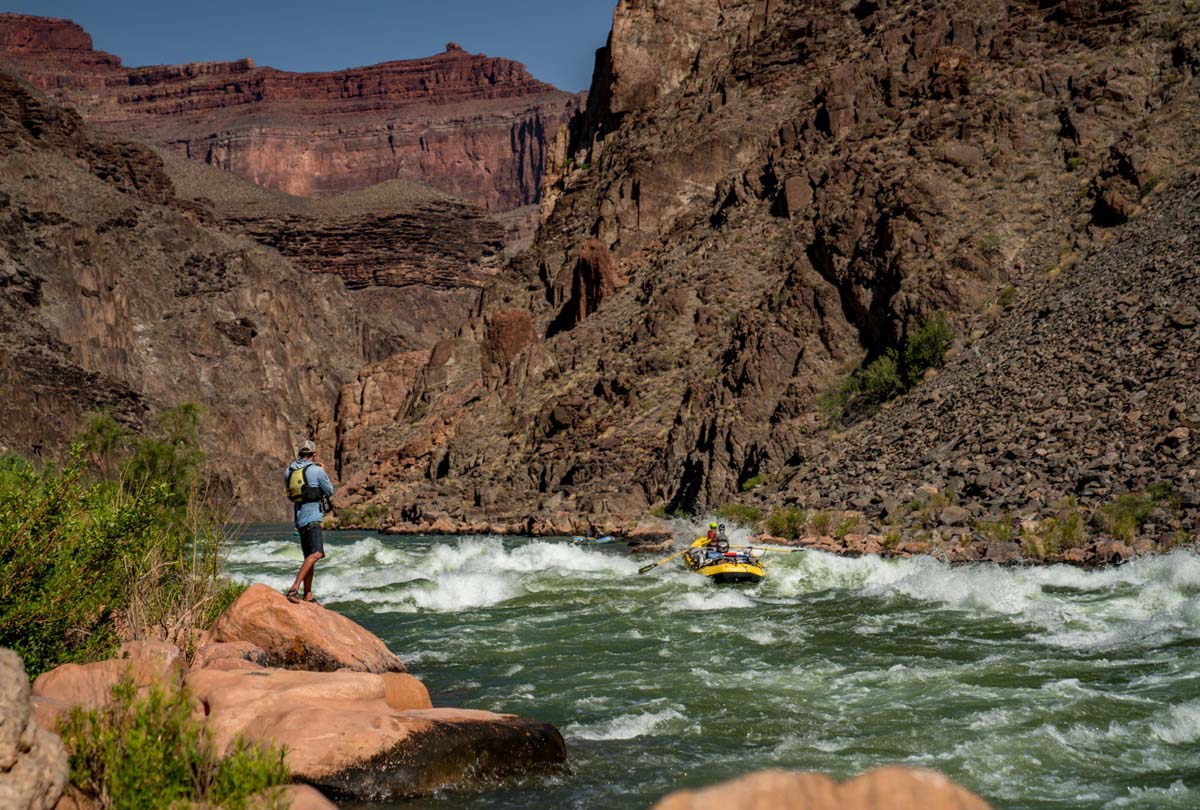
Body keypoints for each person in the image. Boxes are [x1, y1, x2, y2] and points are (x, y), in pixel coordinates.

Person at [283, 439, 334, 605]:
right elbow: (329, 491)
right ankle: (294, 589)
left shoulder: (289, 470)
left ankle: (308, 595)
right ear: (314, 455)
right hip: (313, 518)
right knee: (318, 553)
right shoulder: (316, 470)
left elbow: (290, 492)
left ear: (300, 454)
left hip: (299, 520)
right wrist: (323, 470)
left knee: (309, 557)